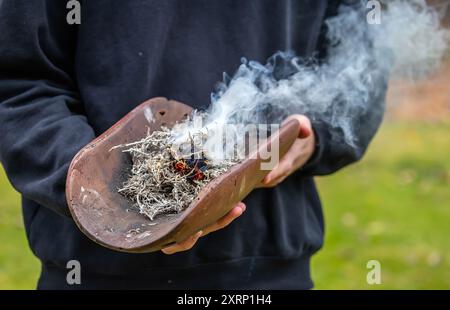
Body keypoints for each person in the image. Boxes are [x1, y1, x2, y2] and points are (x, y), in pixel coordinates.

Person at [0, 0, 385, 289]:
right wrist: (98, 191)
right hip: (94, 271)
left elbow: (362, 67)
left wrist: (314, 134)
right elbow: (19, 83)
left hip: (269, 273)